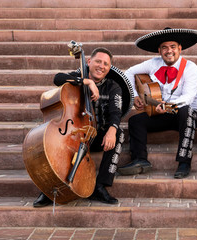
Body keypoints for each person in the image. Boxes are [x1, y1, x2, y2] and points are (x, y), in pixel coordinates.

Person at [33, 47, 133, 207]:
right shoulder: (77, 78)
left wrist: (112, 130)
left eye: (106, 64)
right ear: (89, 61)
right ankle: (48, 188)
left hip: (96, 134)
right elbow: (57, 78)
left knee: (119, 133)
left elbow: (116, 112)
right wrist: (87, 82)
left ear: (109, 68)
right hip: (74, 132)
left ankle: (100, 186)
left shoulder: (114, 87)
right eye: (98, 61)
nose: (101, 66)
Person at [117, 28, 197, 179]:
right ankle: (140, 159)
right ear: (159, 50)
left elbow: (188, 97)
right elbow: (128, 72)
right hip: (161, 113)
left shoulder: (191, 68)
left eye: (173, 47)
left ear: (180, 49)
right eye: (164, 47)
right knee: (135, 121)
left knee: (186, 111)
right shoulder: (153, 63)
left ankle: (184, 162)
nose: (169, 51)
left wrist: (168, 106)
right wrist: (136, 96)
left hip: (187, 115)